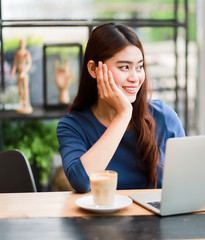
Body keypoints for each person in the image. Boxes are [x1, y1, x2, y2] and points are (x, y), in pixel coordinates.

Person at [57, 23, 185, 193]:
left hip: (156, 217)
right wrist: (123, 115)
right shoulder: (72, 126)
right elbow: (81, 182)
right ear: (94, 69)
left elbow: (187, 181)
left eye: (139, 67)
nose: (135, 78)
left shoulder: (164, 117)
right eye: (124, 67)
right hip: (101, 219)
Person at [11, 38, 33, 114]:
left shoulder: (26, 53)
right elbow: (15, 63)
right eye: (21, 42)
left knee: (26, 87)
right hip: (19, 71)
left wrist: (24, 71)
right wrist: (13, 71)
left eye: (23, 43)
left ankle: (25, 102)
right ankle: (23, 100)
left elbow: (29, 64)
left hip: (24, 72)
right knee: (20, 88)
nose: (21, 44)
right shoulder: (18, 53)